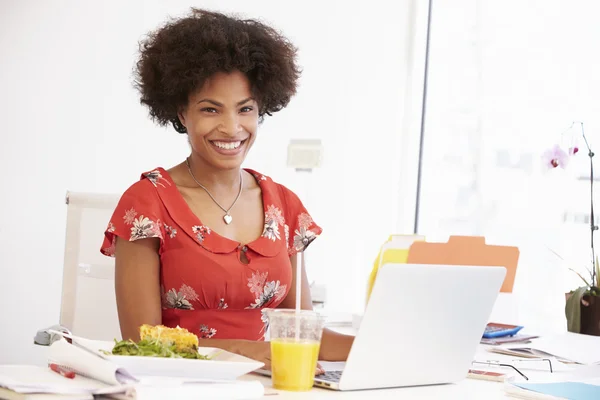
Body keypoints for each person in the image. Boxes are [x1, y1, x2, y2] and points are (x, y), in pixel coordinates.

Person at [100, 8, 354, 369]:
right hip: (181, 388)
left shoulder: (284, 205)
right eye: (210, 109)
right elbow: (142, 341)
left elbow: (301, 334)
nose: (232, 127)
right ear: (181, 112)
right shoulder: (146, 204)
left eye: (245, 109)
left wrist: (379, 348)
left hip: (271, 386)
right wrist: (248, 353)